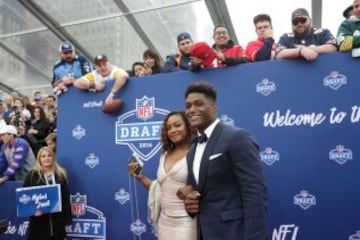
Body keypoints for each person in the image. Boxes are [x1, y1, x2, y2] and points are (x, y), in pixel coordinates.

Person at [178, 82, 267, 239]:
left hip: (235, 233)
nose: (192, 110)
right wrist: (190, 204)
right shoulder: (192, 150)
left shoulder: (237, 137)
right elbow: (200, 196)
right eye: (188, 106)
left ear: (214, 107)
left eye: (199, 104)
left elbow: (254, 194)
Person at [128, 111, 196, 240]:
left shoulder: (198, 152)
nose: (173, 130)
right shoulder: (165, 154)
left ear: (188, 126)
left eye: (177, 125)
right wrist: (140, 177)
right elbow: (159, 189)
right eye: (168, 128)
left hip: (188, 221)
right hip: (164, 221)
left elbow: (210, 186)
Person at [23, 147, 72, 240]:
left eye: (49, 156)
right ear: (39, 159)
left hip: (57, 221)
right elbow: (25, 197)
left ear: (53, 158)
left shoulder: (61, 174)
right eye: (43, 156)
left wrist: (67, 221)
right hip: (39, 221)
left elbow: (65, 199)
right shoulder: (32, 175)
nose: (47, 158)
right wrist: (32, 210)